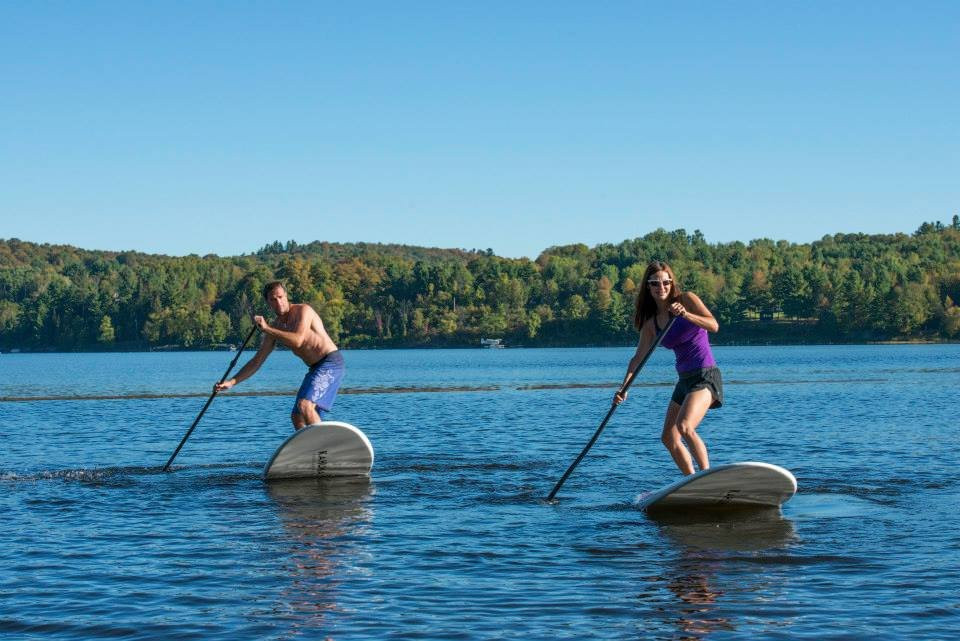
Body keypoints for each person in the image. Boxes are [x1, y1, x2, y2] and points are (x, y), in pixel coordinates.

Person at [614, 260, 722, 475]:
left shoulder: (687, 300)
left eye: (665, 282)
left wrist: (686, 314)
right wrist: (623, 389)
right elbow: (637, 359)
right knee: (668, 437)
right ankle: (691, 481)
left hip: (705, 376)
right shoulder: (651, 323)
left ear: (671, 283)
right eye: (655, 283)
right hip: (684, 381)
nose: (660, 287)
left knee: (684, 426)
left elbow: (713, 325)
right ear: (648, 287)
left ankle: (707, 476)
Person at [214, 281, 344, 429]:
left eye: (281, 297)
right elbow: (257, 361)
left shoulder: (303, 311)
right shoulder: (274, 328)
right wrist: (231, 382)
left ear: (286, 296)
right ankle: (309, 451)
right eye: (273, 300)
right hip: (315, 368)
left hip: (330, 362)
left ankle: (324, 449)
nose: (279, 302)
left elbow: (298, 340)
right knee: (296, 416)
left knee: (305, 405)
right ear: (268, 302)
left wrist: (267, 328)